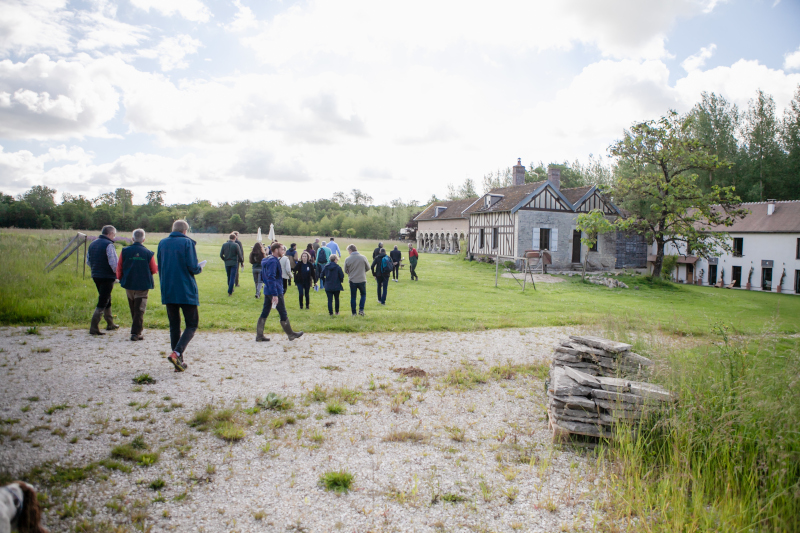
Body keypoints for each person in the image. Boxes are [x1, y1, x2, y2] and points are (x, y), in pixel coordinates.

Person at [157, 219, 203, 372]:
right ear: (185, 231)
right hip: (185, 288)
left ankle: (178, 361)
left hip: (168, 288)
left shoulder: (162, 243)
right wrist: (199, 268)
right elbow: (192, 266)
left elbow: (160, 265)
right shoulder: (187, 243)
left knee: (174, 325)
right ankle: (177, 353)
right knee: (192, 324)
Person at [256, 242, 303, 342]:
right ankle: (291, 334)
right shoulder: (273, 261)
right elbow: (271, 277)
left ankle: (259, 335)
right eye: (282, 249)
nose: (283, 251)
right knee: (282, 312)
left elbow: (263, 276)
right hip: (275, 290)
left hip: (267, 290)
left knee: (265, 312)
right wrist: (275, 294)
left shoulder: (266, 259)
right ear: (276, 250)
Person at [116, 228, 157, 341]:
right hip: (142, 283)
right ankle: (136, 333)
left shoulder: (125, 251)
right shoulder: (148, 253)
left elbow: (119, 267)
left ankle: (136, 328)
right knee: (140, 308)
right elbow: (154, 269)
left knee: (133, 306)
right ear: (144, 239)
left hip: (129, 282)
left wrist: (120, 278)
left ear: (132, 238)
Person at [87, 225, 121, 335]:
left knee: (107, 298)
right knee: (103, 300)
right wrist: (117, 275)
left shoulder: (92, 244)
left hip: (95, 275)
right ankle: (94, 327)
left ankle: (110, 323)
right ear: (110, 234)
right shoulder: (109, 245)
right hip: (107, 276)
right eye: (114, 235)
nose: (114, 237)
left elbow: (88, 261)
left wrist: (96, 269)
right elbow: (113, 263)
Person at [344, 244, 370, 316]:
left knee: (353, 296)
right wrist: (362, 271)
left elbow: (345, 270)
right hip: (362, 279)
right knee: (363, 295)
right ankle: (361, 310)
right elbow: (368, 267)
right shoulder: (363, 257)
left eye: (348, 251)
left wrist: (350, 273)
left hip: (352, 280)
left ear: (350, 250)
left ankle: (354, 312)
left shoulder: (347, 259)